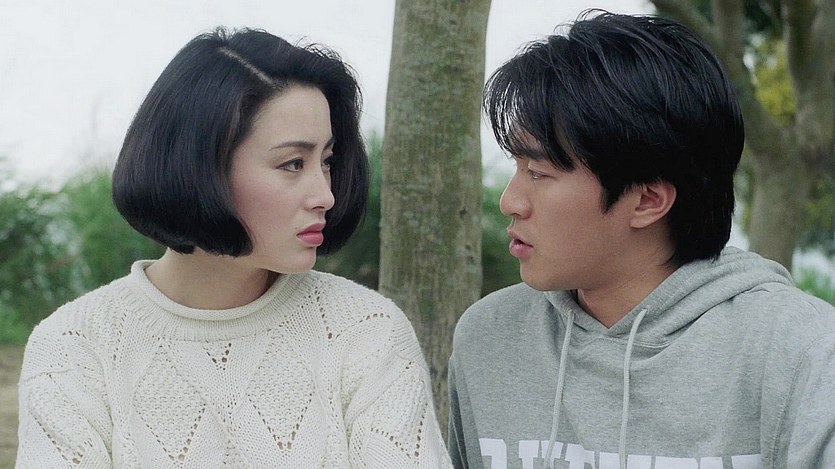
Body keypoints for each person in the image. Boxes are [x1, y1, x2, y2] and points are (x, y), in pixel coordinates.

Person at [17, 27, 452, 468]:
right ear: (198, 167)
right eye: (293, 164)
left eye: (327, 162)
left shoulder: (366, 330)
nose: (325, 194)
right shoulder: (74, 348)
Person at [447, 10, 835, 469]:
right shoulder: (490, 337)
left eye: (538, 172)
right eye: (516, 167)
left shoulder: (802, 351)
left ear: (648, 201)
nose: (510, 201)